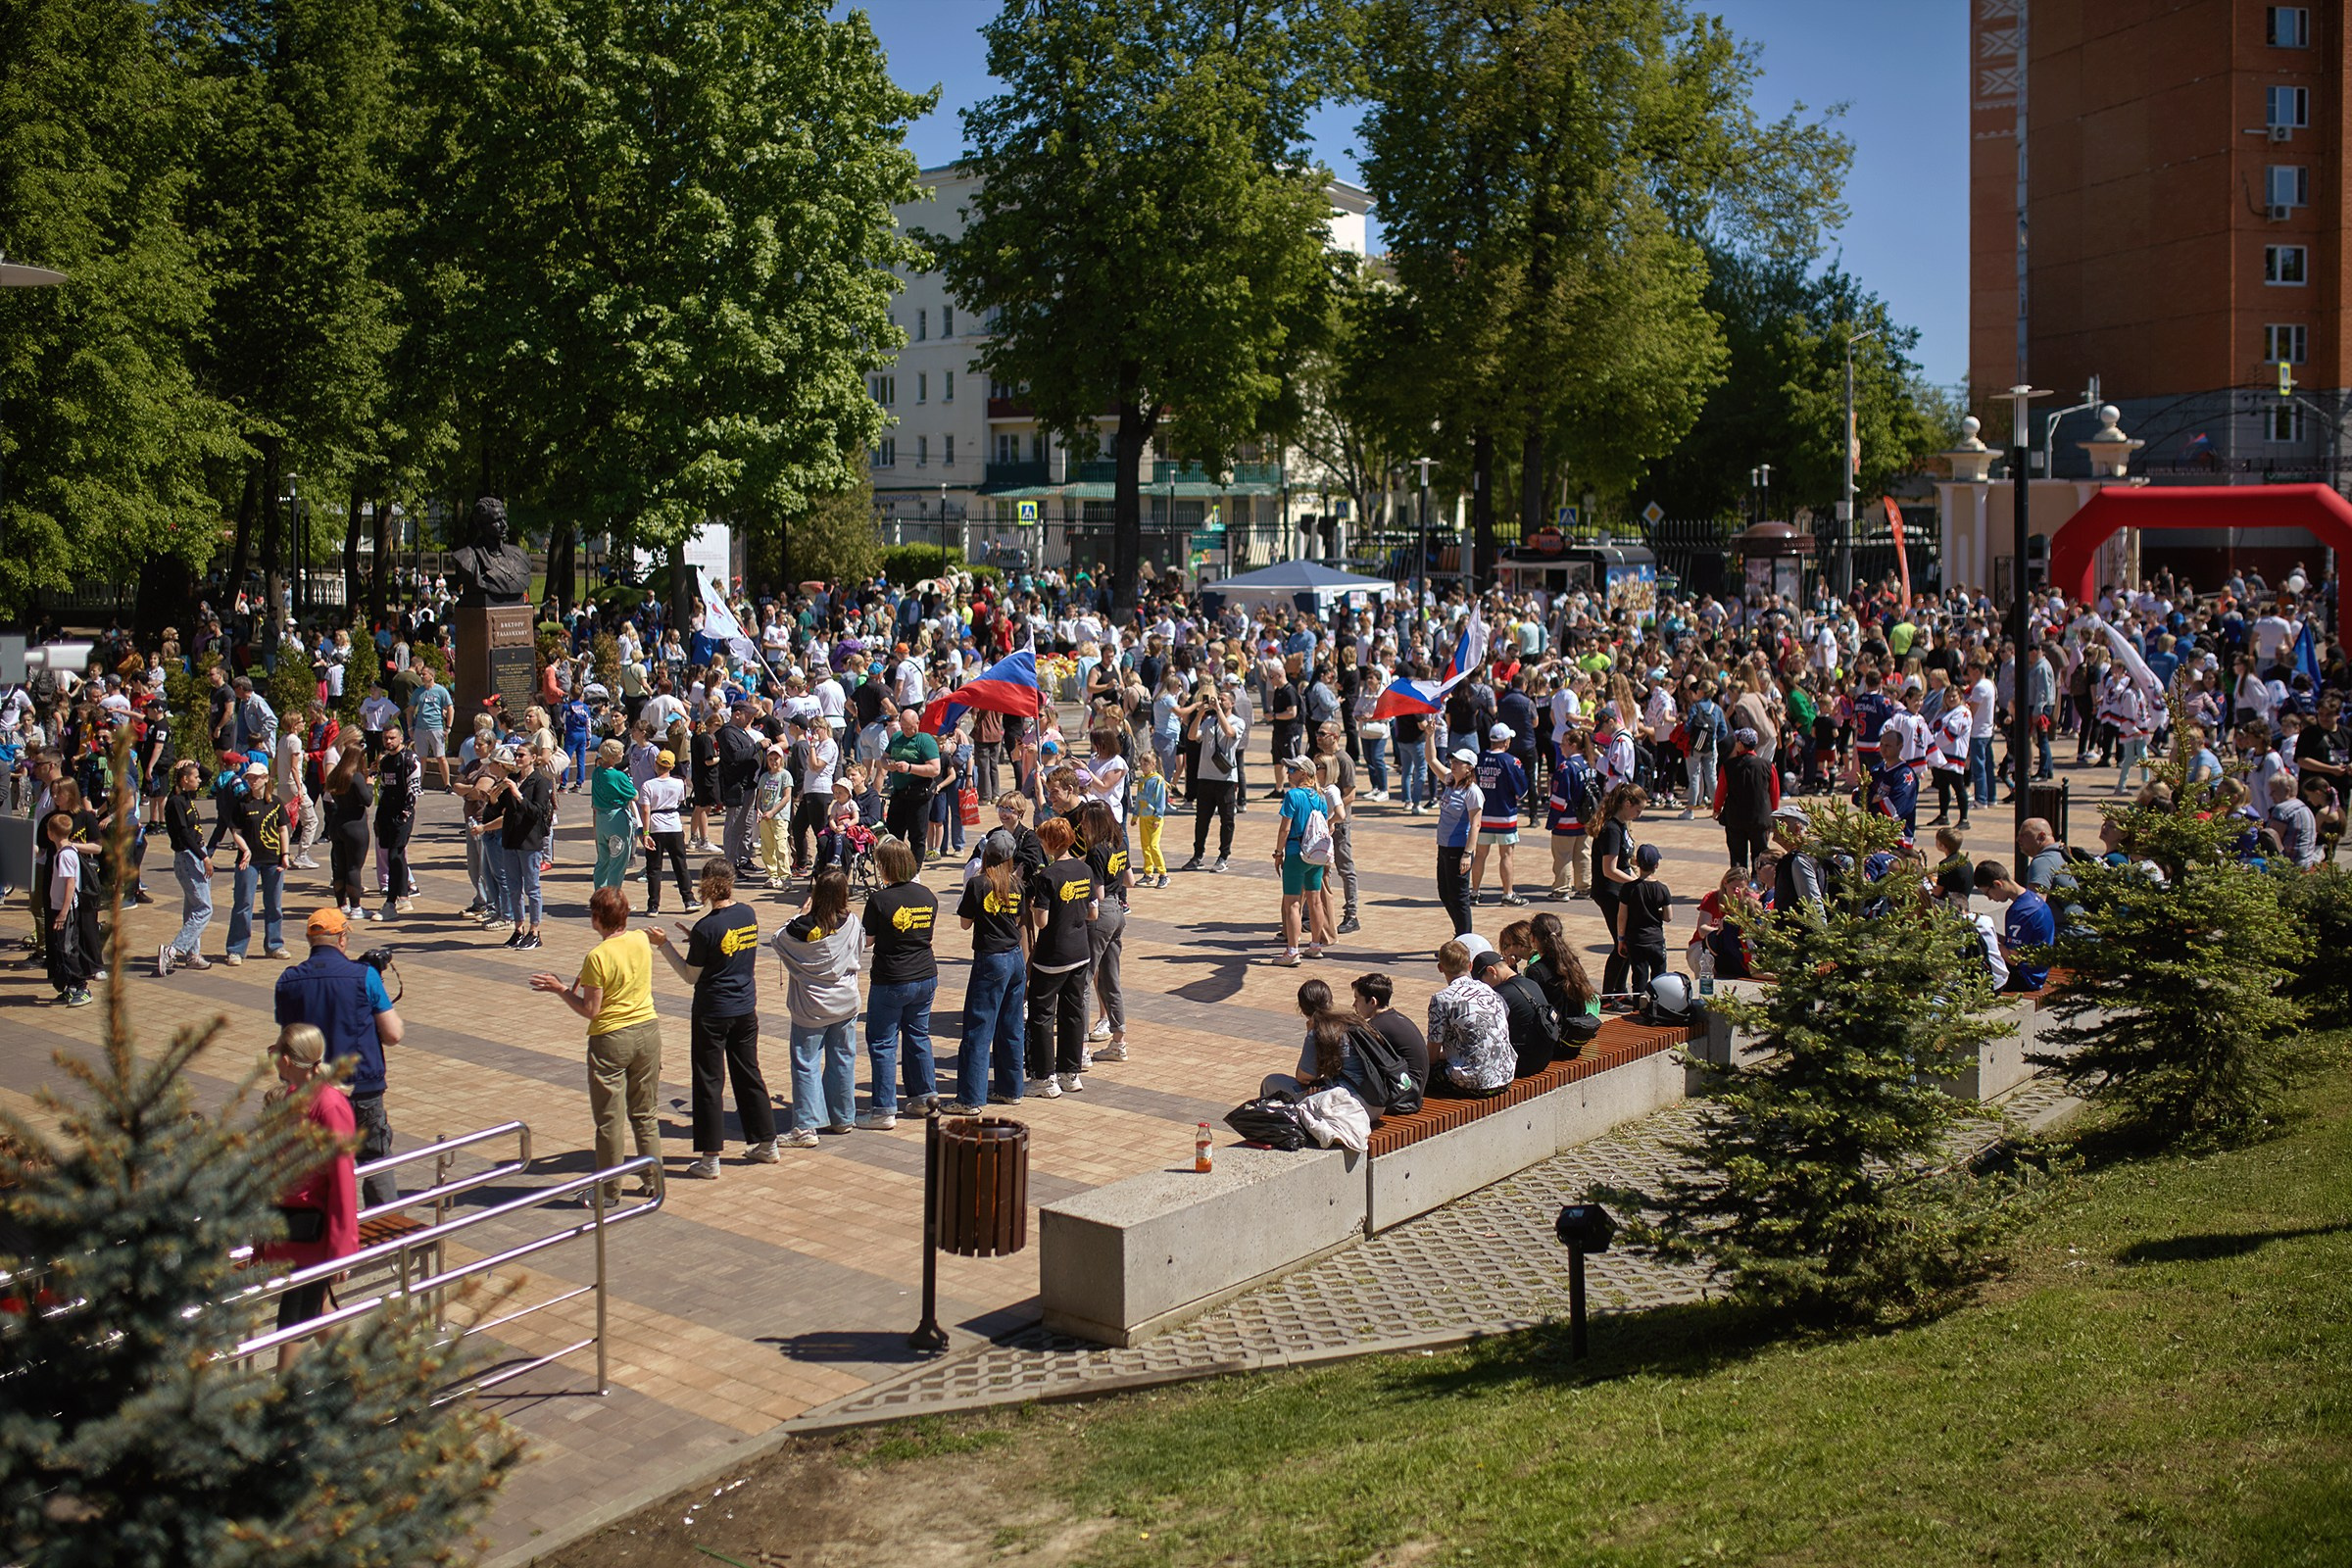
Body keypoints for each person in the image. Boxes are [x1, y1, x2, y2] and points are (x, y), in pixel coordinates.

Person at [645, 858, 778, 1179]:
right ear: (730, 882)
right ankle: (767, 1142)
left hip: (713, 1012)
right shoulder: (747, 914)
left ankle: (710, 1158)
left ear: (705, 886)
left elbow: (691, 976)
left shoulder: (707, 927)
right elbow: (728, 948)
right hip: (745, 1008)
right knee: (749, 1074)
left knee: (709, 1081)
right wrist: (701, 943)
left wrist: (664, 946)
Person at [531, 886, 663, 1199]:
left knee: (609, 1121)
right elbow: (652, 940)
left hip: (611, 1038)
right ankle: (653, 1182)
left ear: (595, 919)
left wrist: (560, 989)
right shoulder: (640, 940)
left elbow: (591, 1010)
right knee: (645, 1114)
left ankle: (609, 1190)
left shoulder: (597, 956)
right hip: (648, 1030)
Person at [276, 907, 405, 1207]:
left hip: (310, 1090)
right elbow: (394, 1034)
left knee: (315, 1166)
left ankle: (323, 1235)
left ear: (310, 939)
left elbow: (288, 1037)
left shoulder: (288, 981)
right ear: (342, 939)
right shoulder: (365, 976)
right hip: (362, 1088)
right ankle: (390, 1234)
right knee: (375, 1160)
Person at [259, 1022, 360, 1368]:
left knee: (294, 1319)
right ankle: (363, 1378)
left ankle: (281, 1404)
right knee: (317, 1310)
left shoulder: (329, 1106)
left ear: (285, 1060)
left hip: (313, 1231)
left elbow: (343, 1181)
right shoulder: (293, 1097)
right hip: (292, 1227)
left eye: (274, 1052)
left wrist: (342, 1248)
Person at [774, 868, 863, 1143]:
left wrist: (800, 914)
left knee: (806, 1061)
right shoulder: (852, 921)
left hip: (812, 1006)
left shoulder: (801, 928)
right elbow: (859, 949)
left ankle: (806, 1127)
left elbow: (778, 939)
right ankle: (842, 1116)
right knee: (843, 1057)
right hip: (846, 1001)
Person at [859, 837, 940, 1127]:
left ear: (886, 867)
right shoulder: (927, 895)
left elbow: (866, 941)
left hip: (892, 978)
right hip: (925, 975)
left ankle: (883, 1109)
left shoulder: (879, 900)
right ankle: (925, 1097)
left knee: (882, 1042)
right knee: (918, 1036)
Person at [951, 831, 1027, 1111]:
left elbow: (964, 923)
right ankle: (1010, 1089)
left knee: (978, 1029)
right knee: (1011, 1026)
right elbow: (1018, 919)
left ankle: (970, 1097)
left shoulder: (978, 884)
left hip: (990, 959)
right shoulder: (1017, 884)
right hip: (1015, 958)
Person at [1025, 815, 1097, 1098]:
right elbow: (1093, 913)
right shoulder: (1084, 869)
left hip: (1053, 954)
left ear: (1050, 843)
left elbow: (1041, 921)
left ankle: (1044, 1078)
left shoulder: (1048, 877)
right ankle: (1070, 1072)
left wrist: (1033, 906)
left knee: (1042, 1014)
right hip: (1080, 951)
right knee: (1073, 1011)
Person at [1077, 797, 1132, 1060]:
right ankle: (1119, 1042)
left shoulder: (1096, 850)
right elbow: (1129, 880)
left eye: (1085, 822)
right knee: (1111, 980)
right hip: (1118, 911)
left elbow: (1096, 892)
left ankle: (1082, 1049)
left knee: (1083, 980)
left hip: (1100, 914)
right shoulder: (1119, 843)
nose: (1082, 826)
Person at [218, 760, 289, 962]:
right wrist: (245, 849)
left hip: (272, 860)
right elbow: (236, 832)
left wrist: (284, 855)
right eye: (249, 777)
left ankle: (274, 944)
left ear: (266, 779)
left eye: (256, 777)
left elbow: (283, 829)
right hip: (247, 861)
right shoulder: (242, 803)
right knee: (243, 903)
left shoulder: (275, 803)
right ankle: (236, 949)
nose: (252, 781)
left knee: (274, 904)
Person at [1423, 939, 1514, 1098]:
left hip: (1475, 1083)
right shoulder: (1489, 990)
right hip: (1505, 1075)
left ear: (1440, 968)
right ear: (1470, 966)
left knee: (1420, 1073)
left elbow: (1432, 1055)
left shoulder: (1441, 999)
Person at [157, 759, 216, 975]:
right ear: (185, 779)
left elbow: (209, 777)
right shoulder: (175, 802)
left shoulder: (187, 797)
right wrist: (204, 857)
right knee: (204, 908)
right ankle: (173, 950)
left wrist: (196, 763)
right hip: (188, 857)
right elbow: (183, 834)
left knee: (193, 908)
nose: (199, 780)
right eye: (194, 777)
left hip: (195, 855)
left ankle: (193, 956)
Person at [1272, 755, 1331, 966]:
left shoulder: (1293, 796)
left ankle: (1292, 951)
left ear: (1304, 773)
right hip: (1316, 854)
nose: (1289, 773)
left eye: (1293, 770)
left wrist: (1278, 853)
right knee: (1315, 901)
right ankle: (1315, 946)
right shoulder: (1320, 796)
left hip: (1296, 852)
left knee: (1292, 904)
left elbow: (1285, 828)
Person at [1591, 783, 1645, 998]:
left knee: (1627, 943)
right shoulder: (1611, 829)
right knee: (1621, 944)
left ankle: (1619, 992)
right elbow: (1609, 870)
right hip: (1609, 892)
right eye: (1637, 810)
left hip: (1619, 890)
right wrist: (1637, 884)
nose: (1639, 815)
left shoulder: (1621, 825)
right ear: (1626, 803)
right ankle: (1609, 994)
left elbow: (1624, 863)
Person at [1183, 679, 1244, 871]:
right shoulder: (1208, 721)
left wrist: (1218, 711)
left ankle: (1223, 856)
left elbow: (1229, 732)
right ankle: (1197, 855)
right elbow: (1192, 736)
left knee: (1227, 820)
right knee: (1201, 819)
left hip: (1225, 779)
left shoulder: (1237, 721)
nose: (1219, 701)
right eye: (1218, 698)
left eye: (1223, 699)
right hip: (1205, 777)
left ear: (1232, 703)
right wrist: (1200, 713)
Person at [1973, 858, 2055, 991]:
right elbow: (2019, 943)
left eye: (1987, 893)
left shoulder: (2020, 911)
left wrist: (1986, 940)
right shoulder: (2032, 899)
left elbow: (2013, 958)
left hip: (2026, 977)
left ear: (1998, 884)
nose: (1989, 898)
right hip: (2038, 971)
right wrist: (1991, 934)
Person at [1471, 722, 1528, 906]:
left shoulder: (1477, 759)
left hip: (1482, 815)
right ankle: (1507, 894)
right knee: (1506, 855)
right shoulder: (1511, 761)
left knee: (1480, 855)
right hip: (1505, 815)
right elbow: (1522, 791)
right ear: (1506, 741)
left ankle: (1475, 892)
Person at [636, 747, 696, 914]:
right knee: (680, 865)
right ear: (671, 766)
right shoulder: (679, 784)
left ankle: (653, 905)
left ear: (656, 765)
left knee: (654, 868)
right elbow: (680, 801)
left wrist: (645, 833)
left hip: (655, 826)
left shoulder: (648, 785)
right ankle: (688, 899)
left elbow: (646, 811)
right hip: (674, 825)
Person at [41, 810, 92, 1006]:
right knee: (61, 948)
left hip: (66, 910)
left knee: (67, 948)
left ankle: (82, 987)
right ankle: (71, 987)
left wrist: (63, 912)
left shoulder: (64, 856)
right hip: (60, 907)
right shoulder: (66, 852)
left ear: (50, 834)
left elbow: (70, 884)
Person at [1348, 972, 1430, 1088]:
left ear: (1372, 1002)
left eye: (1357, 999)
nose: (1353, 1004)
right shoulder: (1397, 1018)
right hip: (1415, 1085)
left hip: (1406, 1094)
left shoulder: (1375, 1028)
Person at [1434, 747, 1484, 937]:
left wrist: (1468, 853)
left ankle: (1464, 939)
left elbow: (1475, 824)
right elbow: (1431, 759)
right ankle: (1461, 934)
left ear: (1469, 768)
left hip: (1459, 849)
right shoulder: (1450, 781)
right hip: (1444, 847)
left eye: (1458, 762)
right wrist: (1430, 735)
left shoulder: (1472, 792)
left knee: (1460, 897)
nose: (1453, 765)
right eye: (1452, 761)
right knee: (1445, 893)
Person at [374, 725, 420, 919]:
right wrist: (379, 816)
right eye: (386, 738)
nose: (389, 741)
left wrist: (405, 813)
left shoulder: (410, 759)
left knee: (395, 854)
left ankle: (390, 903)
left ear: (400, 738)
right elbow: (383, 788)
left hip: (403, 815)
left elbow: (414, 789)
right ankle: (404, 897)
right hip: (386, 813)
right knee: (396, 856)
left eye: (392, 738)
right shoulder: (385, 761)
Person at [1616, 843, 1673, 996]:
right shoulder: (1663, 888)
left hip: (1636, 940)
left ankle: (1638, 1009)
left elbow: (1622, 917)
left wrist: (1621, 939)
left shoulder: (1628, 888)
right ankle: (1659, 1006)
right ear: (1657, 865)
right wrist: (1655, 913)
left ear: (1637, 864)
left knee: (1639, 978)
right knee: (1660, 978)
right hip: (1656, 940)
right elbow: (1669, 917)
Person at [881, 707, 942, 850]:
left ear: (918, 723)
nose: (906, 731)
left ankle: (915, 869)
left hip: (918, 794)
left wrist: (910, 768)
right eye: (903, 727)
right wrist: (888, 765)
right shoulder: (897, 737)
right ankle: (895, 867)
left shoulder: (925, 740)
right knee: (893, 834)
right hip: (899, 793)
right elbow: (884, 758)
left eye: (909, 727)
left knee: (917, 835)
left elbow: (935, 769)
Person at [591, 738, 639, 891]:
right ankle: (613, 897)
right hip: (617, 819)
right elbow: (634, 796)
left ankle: (600, 893)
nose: (623, 755)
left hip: (601, 819)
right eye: (620, 753)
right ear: (613, 757)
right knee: (618, 860)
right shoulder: (618, 776)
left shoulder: (596, 772)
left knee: (603, 859)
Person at [754, 742, 793, 888]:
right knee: (767, 847)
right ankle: (772, 875)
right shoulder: (764, 777)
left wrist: (772, 812)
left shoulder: (785, 775)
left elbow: (786, 796)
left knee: (781, 846)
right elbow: (759, 797)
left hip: (779, 817)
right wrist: (758, 809)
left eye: (776, 758)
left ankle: (785, 876)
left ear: (781, 759)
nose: (773, 762)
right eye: (771, 759)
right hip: (765, 817)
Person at [1134, 746, 1169, 890]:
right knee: (1145, 846)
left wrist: (1158, 817)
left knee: (1154, 846)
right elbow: (1139, 799)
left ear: (1153, 764)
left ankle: (1163, 874)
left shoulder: (1158, 781)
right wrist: (1135, 814)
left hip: (1154, 818)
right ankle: (1148, 873)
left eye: (1146, 764)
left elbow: (1161, 801)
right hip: (1143, 817)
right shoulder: (1142, 780)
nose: (1143, 767)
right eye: (1141, 764)